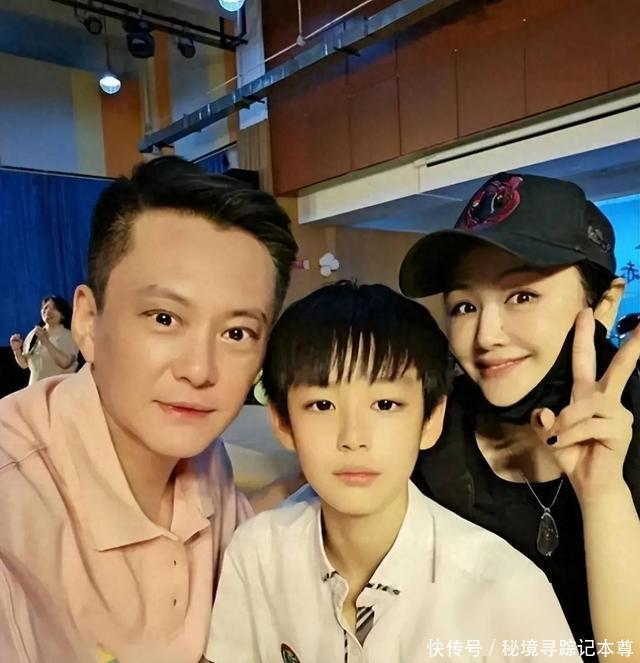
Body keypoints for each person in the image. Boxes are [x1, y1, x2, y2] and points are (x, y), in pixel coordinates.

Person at [0, 156, 298, 663]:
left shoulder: (203, 455)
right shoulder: (15, 505)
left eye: (237, 333)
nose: (200, 370)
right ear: (89, 322)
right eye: (164, 318)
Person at [204, 281, 581, 663]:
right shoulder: (258, 554)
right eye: (322, 405)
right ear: (283, 423)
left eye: (385, 404)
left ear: (431, 420)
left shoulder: (504, 589)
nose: (353, 439)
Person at [399, 172, 640, 661]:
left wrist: (602, 495)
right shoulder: (428, 435)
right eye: (464, 306)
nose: (486, 336)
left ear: (605, 303)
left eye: (522, 296)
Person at [9, 295, 78, 385]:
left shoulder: (69, 335)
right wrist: (16, 350)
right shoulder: (34, 334)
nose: (48, 311)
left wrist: (45, 341)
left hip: (59, 389)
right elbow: (24, 365)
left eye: (54, 308)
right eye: (45, 308)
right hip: (35, 389)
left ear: (63, 314)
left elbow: (66, 363)